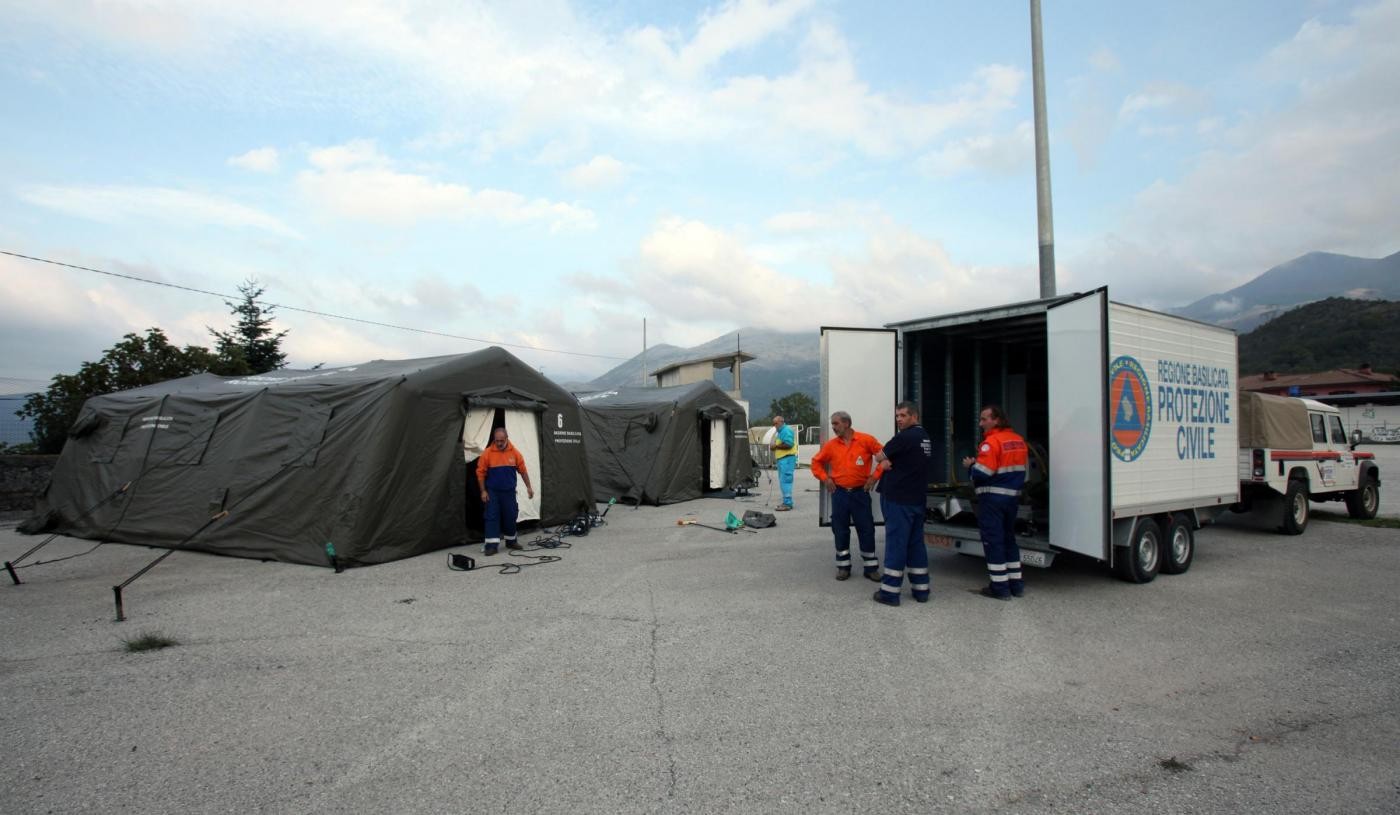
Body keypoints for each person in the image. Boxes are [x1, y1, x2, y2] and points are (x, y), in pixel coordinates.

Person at [870, 401, 933, 606]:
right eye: (897, 416)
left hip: (898, 499)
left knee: (896, 544)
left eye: (903, 415)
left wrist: (886, 462)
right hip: (916, 499)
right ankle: (921, 590)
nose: (899, 419)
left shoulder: (904, 437)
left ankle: (889, 592)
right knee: (915, 544)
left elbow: (880, 456)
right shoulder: (924, 437)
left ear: (914, 416)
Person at [962, 405, 1027, 600]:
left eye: (984, 419)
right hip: (1012, 498)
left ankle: (999, 588)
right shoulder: (1018, 440)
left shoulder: (991, 443)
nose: (981, 423)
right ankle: (1016, 585)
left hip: (992, 500)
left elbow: (982, 474)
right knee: (1009, 539)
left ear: (996, 420)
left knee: (993, 542)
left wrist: (971, 465)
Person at [810, 411, 883, 582]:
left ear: (847, 423)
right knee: (840, 529)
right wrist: (825, 478)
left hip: (860, 493)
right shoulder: (831, 445)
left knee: (866, 529)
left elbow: (885, 459)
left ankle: (871, 567)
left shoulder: (867, 440)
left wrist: (874, 477)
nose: (833, 428)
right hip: (840, 494)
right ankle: (843, 567)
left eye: (836, 424)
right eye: (833, 424)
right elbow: (816, 462)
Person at [476, 427, 535, 556]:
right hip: (493, 493)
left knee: (510, 515)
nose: (499, 443)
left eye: (502, 440)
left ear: (507, 439)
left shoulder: (515, 453)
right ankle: (491, 545)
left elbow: (523, 471)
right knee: (492, 517)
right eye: (497, 441)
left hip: (509, 492)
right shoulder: (487, 453)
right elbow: (480, 473)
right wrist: (483, 491)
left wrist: (529, 487)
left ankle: (511, 541)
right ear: (494, 440)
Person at [770, 415, 798, 511]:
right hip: (783, 459)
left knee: (785, 481)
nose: (774, 426)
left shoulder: (786, 430)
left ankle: (787, 503)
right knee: (783, 481)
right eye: (773, 424)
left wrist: (775, 446)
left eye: (775, 423)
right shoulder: (781, 431)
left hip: (787, 459)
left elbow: (789, 444)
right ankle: (786, 501)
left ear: (781, 422)